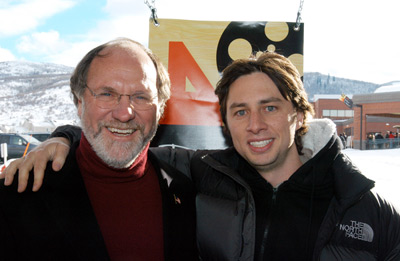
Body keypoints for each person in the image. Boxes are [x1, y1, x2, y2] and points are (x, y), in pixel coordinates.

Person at [2, 52, 400, 260]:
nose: (255, 124)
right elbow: (123, 141)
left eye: (271, 107)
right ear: (225, 122)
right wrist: (64, 138)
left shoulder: (367, 208)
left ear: (298, 112)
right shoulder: (205, 174)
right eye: (239, 111)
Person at [0, 38, 198, 260]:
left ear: (160, 108)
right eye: (107, 94)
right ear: (80, 102)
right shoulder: (17, 194)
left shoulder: (183, 190)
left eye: (141, 96)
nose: (124, 113)